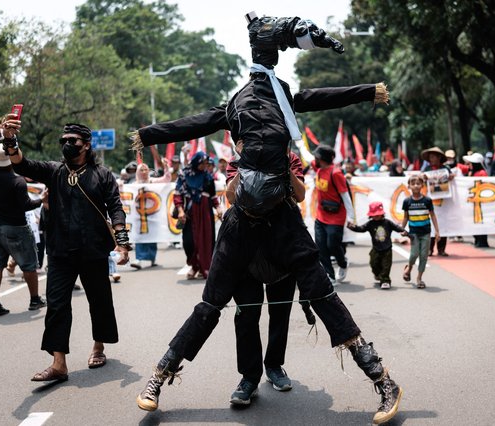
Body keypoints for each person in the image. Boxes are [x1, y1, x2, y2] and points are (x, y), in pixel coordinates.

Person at [134, 12, 401, 425]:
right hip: (241, 219)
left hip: (283, 218)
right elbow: (194, 124)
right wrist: (149, 135)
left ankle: (383, 381)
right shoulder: (238, 102)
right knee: (211, 304)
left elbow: (324, 97)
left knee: (322, 294)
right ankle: (160, 376)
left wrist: (369, 91)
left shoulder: (285, 98)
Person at [0, 116, 131, 382]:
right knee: (57, 304)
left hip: (93, 249)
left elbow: (115, 207)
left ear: (86, 145)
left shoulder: (102, 175)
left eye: (72, 141)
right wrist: (10, 140)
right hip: (60, 250)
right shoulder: (54, 170)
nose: (67, 144)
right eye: (64, 141)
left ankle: (98, 346)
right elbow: (22, 164)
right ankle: (59, 364)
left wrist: (122, 241)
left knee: (99, 300)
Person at [225, 149, 307, 404]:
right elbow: (230, 197)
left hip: (283, 245)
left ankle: (274, 367)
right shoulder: (236, 161)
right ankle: (249, 378)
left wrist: (282, 163)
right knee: (247, 314)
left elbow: (301, 195)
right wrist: (245, 163)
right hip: (246, 248)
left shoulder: (290, 158)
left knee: (279, 313)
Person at [0, 143, 45, 317]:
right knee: (28, 265)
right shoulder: (17, 181)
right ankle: (35, 299)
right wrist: (41, 200)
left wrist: (0, 136)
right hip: (16, 227)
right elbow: (26, 205)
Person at [174, 151, 223, 279]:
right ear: (196, 162)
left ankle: (203, 268)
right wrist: (180, 210)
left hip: (206, 214)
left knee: (206, 241)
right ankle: (194, 265)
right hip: (190, 214)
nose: (204, 166)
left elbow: (213, 196)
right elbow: (178, 194)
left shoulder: (208, 177)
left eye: (206, 164)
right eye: (203, 163)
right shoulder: (184, 175)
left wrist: (218, 207)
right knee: (189, 242)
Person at [313, 145, 355, 284]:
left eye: (317, 157)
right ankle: (330, 276)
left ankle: (343, 263)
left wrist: (351, 217)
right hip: (320, 216)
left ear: (322, 158)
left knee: (333, 245)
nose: (315, 159)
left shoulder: (336, 173)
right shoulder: (318, 168)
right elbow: (307, 159)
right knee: (321, 247)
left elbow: (345, 196)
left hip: (336, 216)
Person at [347, 201, 407, 289]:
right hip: (376, 248)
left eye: (378, 214)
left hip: (387, 248)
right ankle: (378, 275)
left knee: (386, 266)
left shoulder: (387, 222)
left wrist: (403, 231)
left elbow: (396, 227)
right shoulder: (370, 224)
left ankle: (385, 281)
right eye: (374, 215)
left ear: (382, 214)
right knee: (373, 263)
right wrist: (353, 227)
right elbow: (361, 229)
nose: (376, 216)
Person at [401, 174, 440, 289]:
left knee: (424, 256)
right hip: (413, 233)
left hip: (426, 232)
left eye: (418, 183)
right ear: (409, 186)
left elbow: (432, 215)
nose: (416, 186)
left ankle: (419, 278)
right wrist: (402, 229)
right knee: (414, 254)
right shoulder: (407, 201)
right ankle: (409, 267)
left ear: (422, 185)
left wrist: (437, 231)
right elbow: (405, 217)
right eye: (413, 184)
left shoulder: (427, 200)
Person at [130, 162, 171, 269]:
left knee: (153, 236)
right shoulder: (133, 185)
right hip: (140, 216)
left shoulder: (153, 181)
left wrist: (166, 167)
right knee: (139, 237)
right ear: (138, 172)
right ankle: (138, 259)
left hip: (153, 215)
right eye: (141, 170)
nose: (144, 172)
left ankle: (152, 259)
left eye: (145, 170)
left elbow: (166, 179)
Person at [420, 146, 453, 256]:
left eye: (433, 157)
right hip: (430, 202)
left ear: (439, 157)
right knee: (430, 226)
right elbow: (421, 178)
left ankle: (441, 249)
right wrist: (423, 177)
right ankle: (429, 249)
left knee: (442, 225)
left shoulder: (446, 169)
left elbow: (452, 176)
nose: (431, 159)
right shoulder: (427, 170)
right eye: (430, 157)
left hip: (443, 203)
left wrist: (450, 176)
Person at [463, 153, 490, 248]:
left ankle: (482, 240)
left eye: (471, 163)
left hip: (480, 202)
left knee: (481, 221)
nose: (469, 165)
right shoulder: (473, 172)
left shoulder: (482, 173)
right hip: (474, 202)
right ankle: (477, 239)